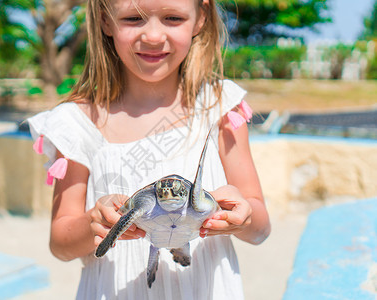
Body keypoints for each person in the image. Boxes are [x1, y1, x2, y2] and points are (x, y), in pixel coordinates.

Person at [28, 0, 271, 298]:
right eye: (133, 18)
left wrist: (243, 218)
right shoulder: (77, 124)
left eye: (172, 17)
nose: (154, 36)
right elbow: (60, 244)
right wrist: (94, 221)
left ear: (201, 17)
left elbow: (260, 228)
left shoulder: (219, 108)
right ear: (105, 20)